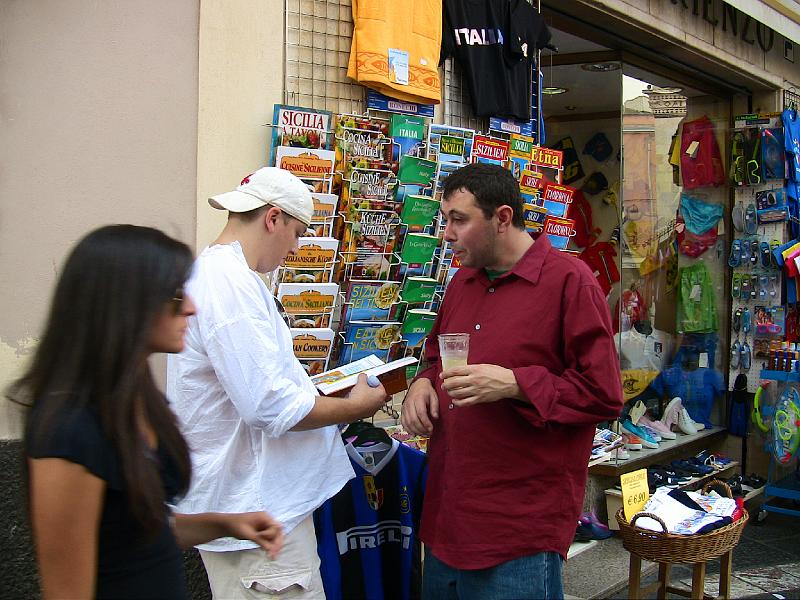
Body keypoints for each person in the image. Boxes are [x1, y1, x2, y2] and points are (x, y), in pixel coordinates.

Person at [8, 225, 284, 600]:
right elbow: (66, 590)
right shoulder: (69, 429)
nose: (190, 306)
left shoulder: (139, 400)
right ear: (123, 303)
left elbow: (137, 532)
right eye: (174, 295)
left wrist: (225, 523)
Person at [401, 163, 624, 599]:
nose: (446, 233)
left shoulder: (570, 283)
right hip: (448, 518)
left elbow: (604, 395)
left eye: (459, 220)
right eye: (445, 219)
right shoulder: (462, 281)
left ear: (503, 218)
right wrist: (422, 383)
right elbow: (434, 356)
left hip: (517, 531)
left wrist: (516, 384)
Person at [167, 167, 389, 598]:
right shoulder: (229, 283)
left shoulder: (225, 276)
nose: (297, 246)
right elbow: (268, 405)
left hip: (255, 509)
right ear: (273, 219)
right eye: (298, 232)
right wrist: (355, 407)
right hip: (255, 512)